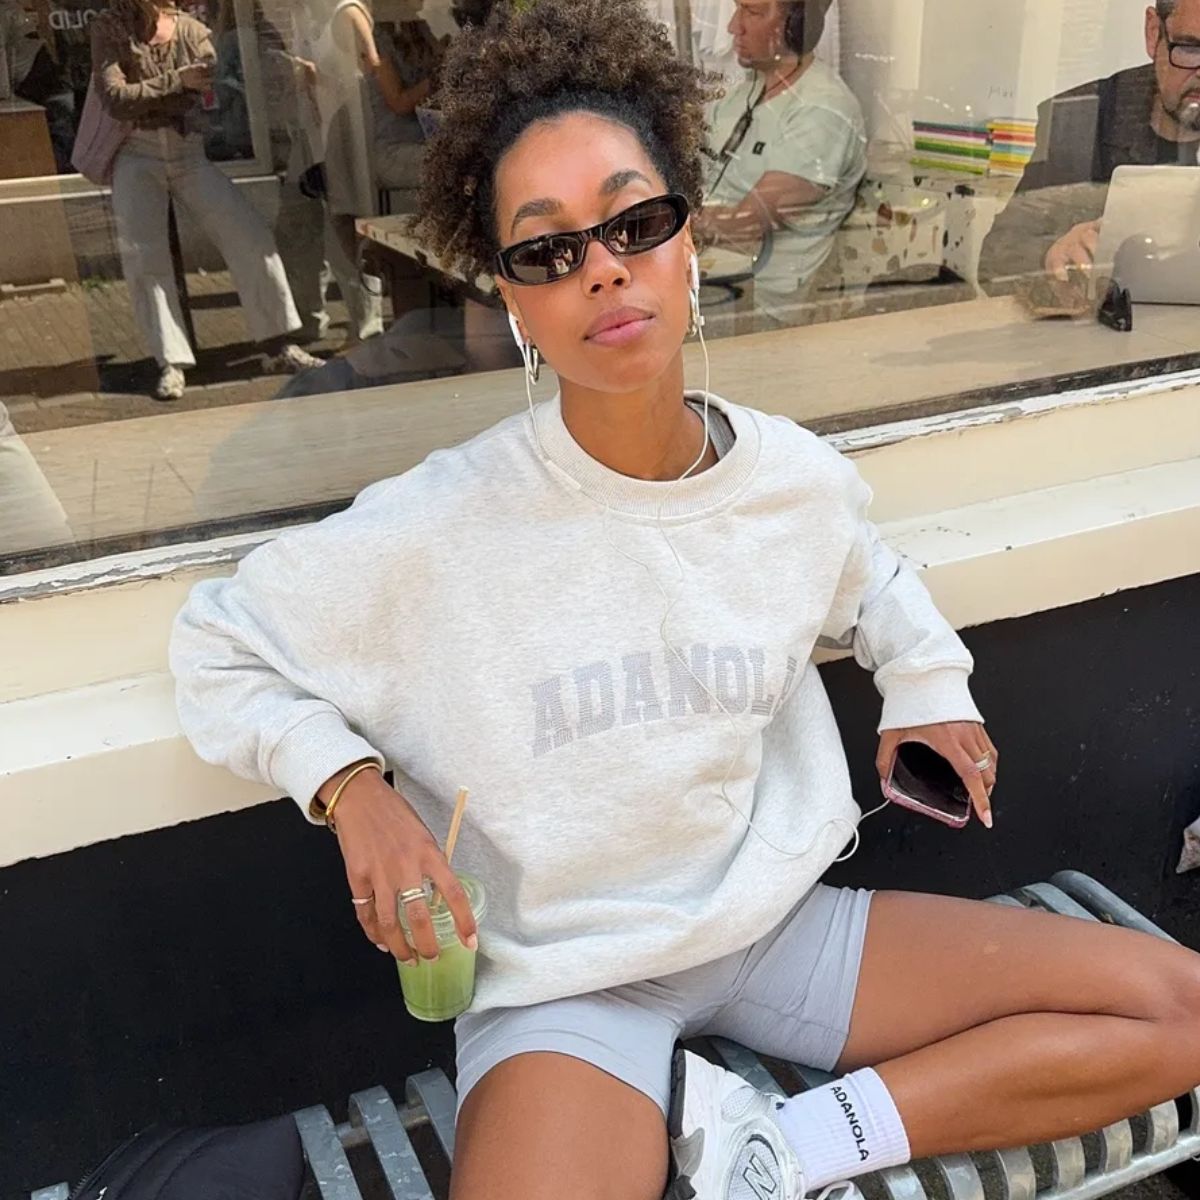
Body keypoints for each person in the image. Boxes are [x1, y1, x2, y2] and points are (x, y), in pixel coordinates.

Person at [169, 4, 1200, 1199]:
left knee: (1175, 1012)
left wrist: (928, 686)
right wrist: (353, 795)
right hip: (566, 980)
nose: (602, 265)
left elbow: (871, 572)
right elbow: (220, 644)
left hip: (772, 933)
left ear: (687, 238)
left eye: (634, 220)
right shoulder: (446, 522)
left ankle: (774, 1149)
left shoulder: (788, 479)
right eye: (547, 247)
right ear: (510, 296)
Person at [91, 0, 321, 401]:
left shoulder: (190, 28)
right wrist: (177, 81)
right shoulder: (109, 27)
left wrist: (153, 91)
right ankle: (171, 362)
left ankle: (278, 342)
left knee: (249, 235)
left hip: (187, 151)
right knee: (146, 258)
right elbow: (114, 98)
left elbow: (198, 89)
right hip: (136, 151)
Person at [979, 0, 1200, 291]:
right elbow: (997, 256)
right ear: (1152, 32)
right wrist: (1052, 254)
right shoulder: (1084, 116)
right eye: (1189, 48)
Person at [697, 0, 865, 320]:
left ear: (795, 28)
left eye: (752, 12)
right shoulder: (739, 97)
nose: (734, 26)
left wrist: (661, 222)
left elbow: (746, 225)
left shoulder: (823, 110)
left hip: (766, 303)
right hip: (714, 280)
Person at [0, 0, 76, 171]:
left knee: (58, 133)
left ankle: (66, 173)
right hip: (38, 75)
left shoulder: (6, 10)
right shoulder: (11, 10)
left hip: (37, 77)